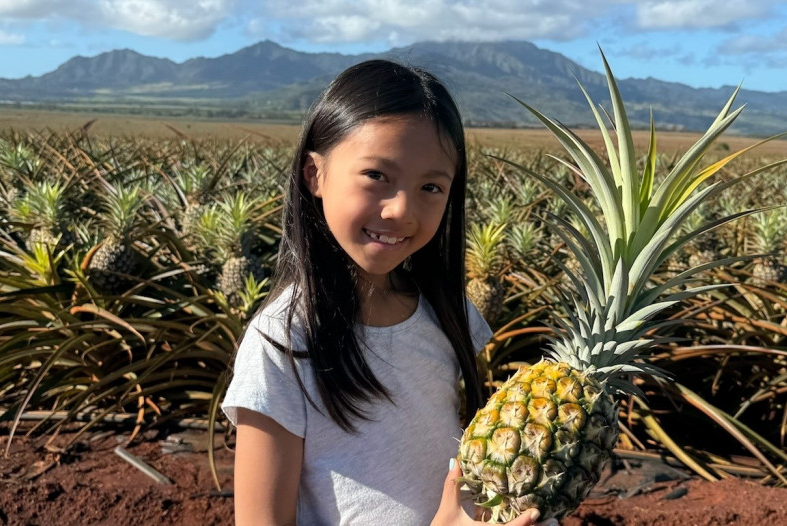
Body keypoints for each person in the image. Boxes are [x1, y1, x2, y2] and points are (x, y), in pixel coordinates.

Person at [221, 60, 549, 526]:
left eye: (431, 186)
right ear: (314, 175)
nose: (401, 210)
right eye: (377, 176)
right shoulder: (282, 342)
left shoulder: (447, 312)